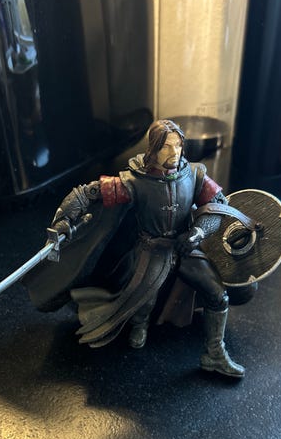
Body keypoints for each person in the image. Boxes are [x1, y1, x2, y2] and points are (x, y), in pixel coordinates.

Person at [47, 119, 244, 378]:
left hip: (185, 248)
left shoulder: (195, 174)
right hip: (151, 251)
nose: (175, 152)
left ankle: (214, 354)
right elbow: (87, 194)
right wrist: (63, 219)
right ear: (153, 150)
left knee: (218, 295)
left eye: (178, 146)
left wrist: (198, 232)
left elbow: (218, 205)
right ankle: (140, 324)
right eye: (167, 147)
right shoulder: (135, 181)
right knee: (142, 300)